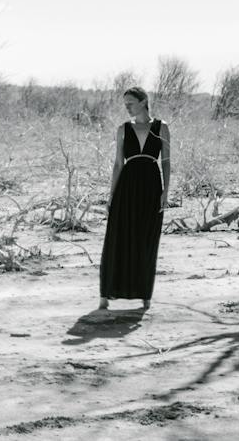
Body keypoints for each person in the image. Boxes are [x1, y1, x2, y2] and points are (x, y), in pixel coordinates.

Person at [96, 86, 171, 312]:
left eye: (130, 102)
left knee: (147, 239)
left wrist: (166, 192)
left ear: (143, 101)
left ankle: (145, 295)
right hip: (126, 187)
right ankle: (105, 296)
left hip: (151, 186)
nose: (126, 107)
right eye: (125, 103)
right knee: (117, 237)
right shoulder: (123, 129)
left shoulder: (161, 127)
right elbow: (119, 163)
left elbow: (166, 161)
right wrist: (111, 196)